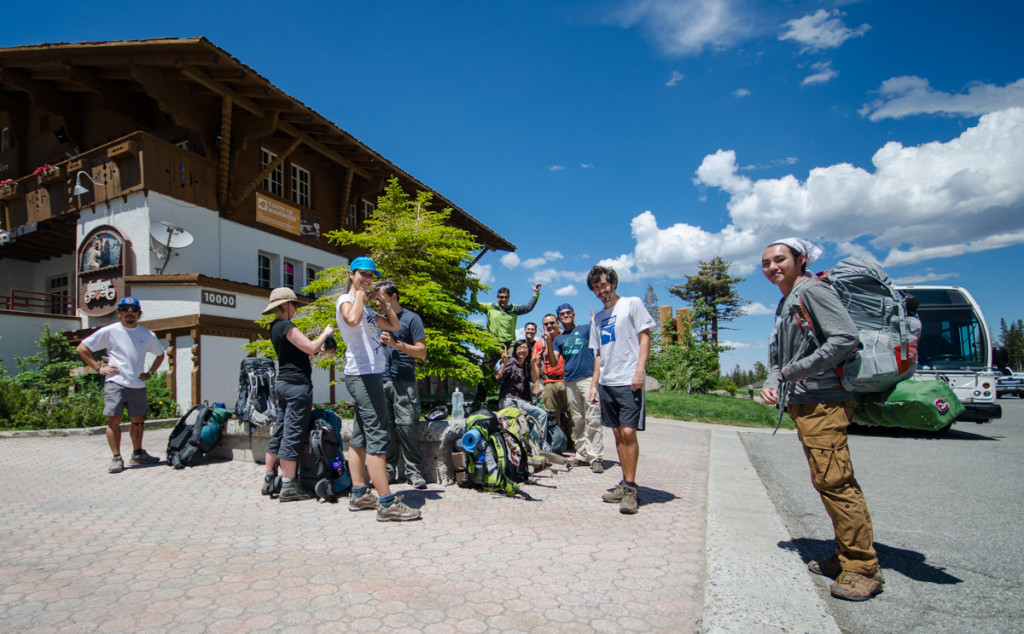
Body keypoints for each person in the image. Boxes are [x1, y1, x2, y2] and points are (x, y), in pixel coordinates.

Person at [760, 238, 884, 601]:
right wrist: (774, 381)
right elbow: (777, 358)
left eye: (779, 260)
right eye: (766, 263)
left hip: (825, 402)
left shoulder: (812, 290)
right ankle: (846, 556)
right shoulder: (787, 301)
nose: (771, 267)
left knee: (836, 482)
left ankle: (863, 568)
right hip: (806, 402)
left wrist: (793, 371)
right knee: (827, 481)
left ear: (801, 260)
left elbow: (845, 338)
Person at [336, 256, 422, 521]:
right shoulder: (346, 301)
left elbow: (395, 326)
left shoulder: (370, 311)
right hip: (361, 376)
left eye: (371, 276)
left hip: (372, 375)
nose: (368, 279)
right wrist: (361, 294)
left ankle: (360, 494)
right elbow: (351, 320)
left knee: (361, 435)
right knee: (377, 435)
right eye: (363, 274)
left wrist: (385, 305)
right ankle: (386, 503)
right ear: (351, 274)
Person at [586, 265, 656, 515]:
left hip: (629, 380)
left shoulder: (632, 304)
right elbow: (598, 354)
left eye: (603, 285)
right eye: (596, 288)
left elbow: (645, 337)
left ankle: (631, 489)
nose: (600, 290)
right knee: (617, 433)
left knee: (628, 432)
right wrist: (594, 385)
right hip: (607, 382)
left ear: (613, 283)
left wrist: (640, 371)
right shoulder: (598, 319)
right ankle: (625, 482)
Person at [260, 287, 335, 502]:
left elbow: (301, 350)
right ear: (284, 305)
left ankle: (269, 478)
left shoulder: (275, 326)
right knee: (292, 435)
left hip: (283, 384)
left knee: (281, 430)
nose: (295, 309)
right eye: (293, 305)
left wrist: (321, 347)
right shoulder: (286, 325)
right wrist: (325, 333)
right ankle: (289, 485)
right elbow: (310, 347)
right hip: (297, 387)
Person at [76, 296, 165, 474]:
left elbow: (160, 354)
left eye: (133, 310)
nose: (129, 313)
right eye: (125, 309)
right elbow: (82, 348)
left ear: (139, 314)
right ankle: (116, 457)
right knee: (113, 420)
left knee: (138, 420)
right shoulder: (110, 331)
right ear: (120, 313)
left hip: (137, 384)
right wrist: (98, 368)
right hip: (115, 383)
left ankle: (138, 453)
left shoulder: (147, 334)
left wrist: (150, 373)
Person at [377, 279, 429, 490]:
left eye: (381, 299)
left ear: (393, 297)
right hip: (381, 380)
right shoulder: (378, 319)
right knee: (386, 427)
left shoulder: (411, 319)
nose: (378, 303)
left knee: (406, 427)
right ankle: (388, 471)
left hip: (404, 381)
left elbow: (422, 352)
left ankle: (413, 472)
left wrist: (396, 344)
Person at [550, 303, 604, 472]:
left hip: (588, 378)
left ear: (573, 314)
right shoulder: (558, 339)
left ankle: (595, 457)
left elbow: (600, 346)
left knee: (593, 417)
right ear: (559, 318)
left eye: (568, 312)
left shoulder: (586, 329)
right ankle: (582, 455)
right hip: (570, 381)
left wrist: (594, 325)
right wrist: (548, 342)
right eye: (562, 314)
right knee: (577, 419)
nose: (565, 315)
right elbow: (553, 362)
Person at [471, 283, 541, 407]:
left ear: (509, 298)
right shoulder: (490, 307)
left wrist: (536, 293)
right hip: (493, 344)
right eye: (501, 297)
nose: (503, 299)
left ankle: (512, 397)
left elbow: (528, 307)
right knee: (485, 371)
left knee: (514, 368)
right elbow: (474, 304)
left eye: (505, 297)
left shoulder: (513, 309)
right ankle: (479, 400)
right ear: (497, 297)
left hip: (510, 344)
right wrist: (474, 291)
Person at [533, 314, 570, 449]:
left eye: (552, 323)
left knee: (573, 415)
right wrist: (537, 385)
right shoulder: (540, 343)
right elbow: (536, 365)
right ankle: (557, 444)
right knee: (552, 417)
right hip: (549, 382)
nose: (549, 326)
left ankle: (575, 444)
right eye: (546, 324)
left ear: (558, 323)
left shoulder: (565, 337)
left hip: (567, 381)